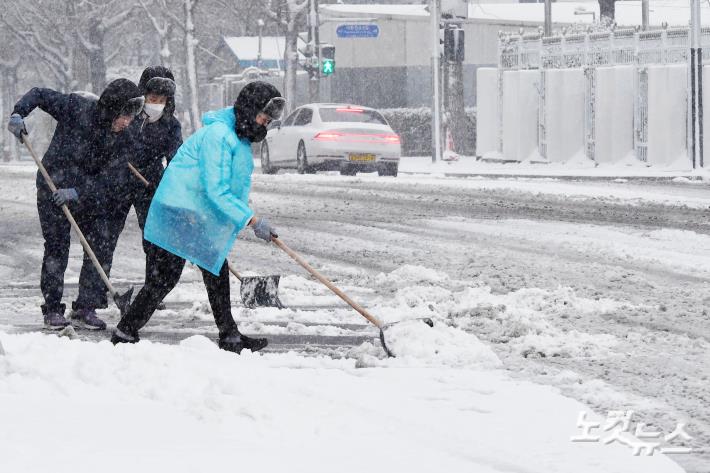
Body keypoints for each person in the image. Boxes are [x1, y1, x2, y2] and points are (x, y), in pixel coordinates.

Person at [111, 81, 286, 354]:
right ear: (250, 109)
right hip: (179, 210)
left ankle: (229, 336)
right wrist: (251, 220)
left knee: (213, 268)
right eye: (264, 115)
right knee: (166, 278)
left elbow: (232, 186)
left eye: (269, 119)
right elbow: (216, 189)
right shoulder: (219, 135)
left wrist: (243, 214)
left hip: (192, 211)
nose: (265, 122)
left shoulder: (237, 138)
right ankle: (125, 332)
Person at [7, 79, 144, 330]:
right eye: (125, 115)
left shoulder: (126, 136)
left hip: (85, 195)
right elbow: (39, 94)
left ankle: (85, 307)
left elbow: (112, 179)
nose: (128, 122)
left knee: (99, 244)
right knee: (57, 247)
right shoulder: (76, 108)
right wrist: (18, 112)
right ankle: (52, 309)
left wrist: (78, 192)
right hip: (51, 185)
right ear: (112, 107)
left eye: (131, 117)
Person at [70, 66, 182, 322]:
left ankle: (151, 294)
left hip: (149, 185)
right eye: (152, 98)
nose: (156, 104)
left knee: (154, 241)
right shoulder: (126, 115)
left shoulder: (170, 125)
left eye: (162, 100)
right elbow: (105, 142)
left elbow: (176, 159)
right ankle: (87, 302)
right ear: (143, 95)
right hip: (116, 182)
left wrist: (169, 183)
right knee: (102, 240)